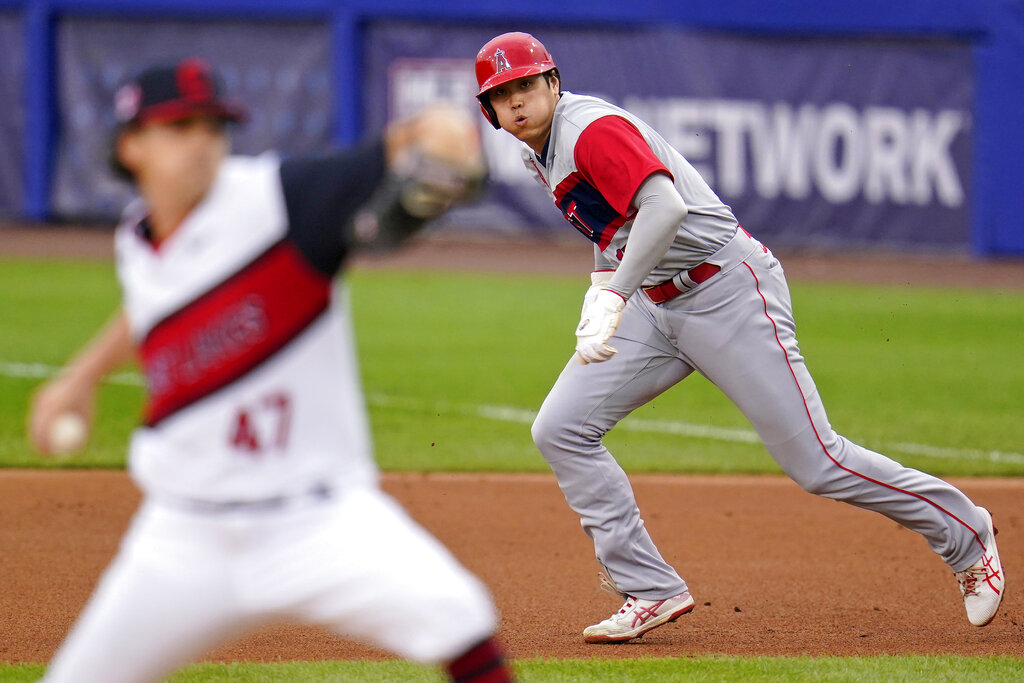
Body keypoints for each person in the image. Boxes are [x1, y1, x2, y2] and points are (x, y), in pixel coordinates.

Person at [474, 32, 1005, 644]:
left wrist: (614, 293)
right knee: (560, 429)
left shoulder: (588, 130)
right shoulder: (537, 154)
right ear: (488, 111)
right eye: (502, 94)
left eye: (526, 86)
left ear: (553, 83)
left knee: (818, 462)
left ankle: (964, 533)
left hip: (725, 290)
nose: (517, 102)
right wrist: (603, 290)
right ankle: (648, 587)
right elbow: (614, 225)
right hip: (656, 303)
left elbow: (663, 208)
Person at [28, 57, 512, 683]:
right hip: (183, 533)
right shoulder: (137, 238)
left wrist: (446, 139)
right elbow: (154, 305)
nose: (202, 143)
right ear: (132, 146)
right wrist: (81, 376)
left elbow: (431, 134)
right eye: (180, 127)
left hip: (318, 519)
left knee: (459, 614)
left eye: (213, 126)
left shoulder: (280, 199)